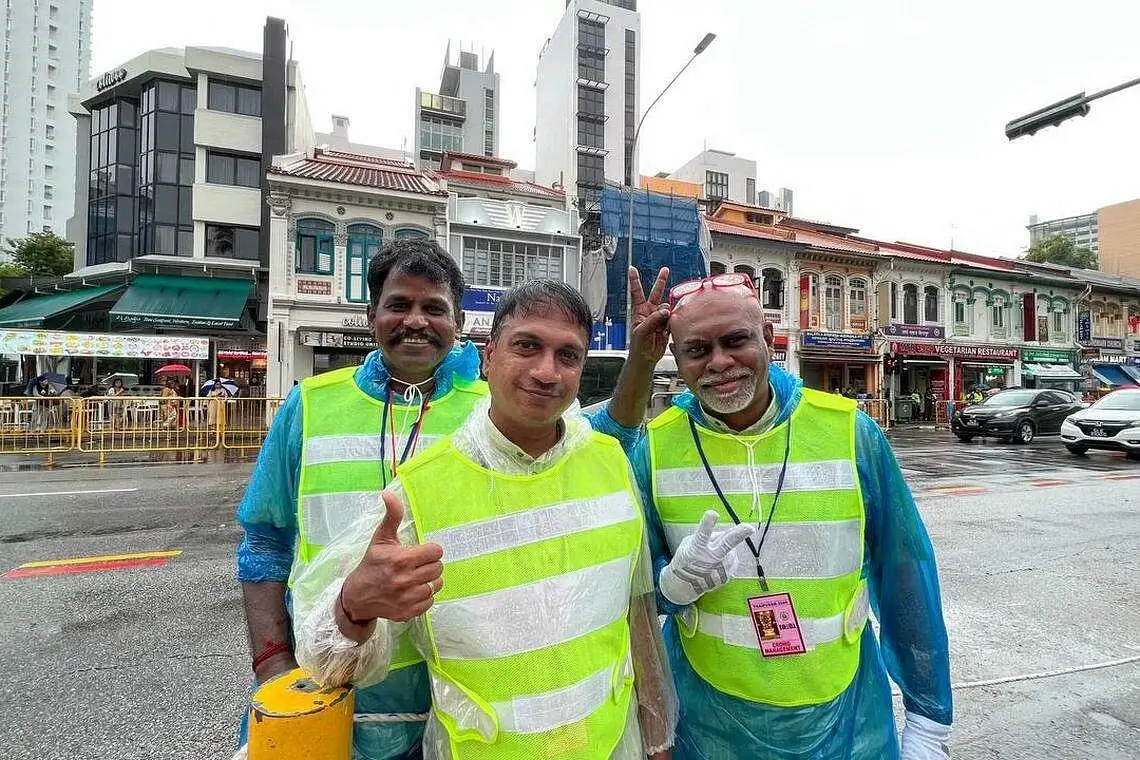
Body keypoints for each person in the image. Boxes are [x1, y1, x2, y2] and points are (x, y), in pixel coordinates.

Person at [235, 236, 671, 759]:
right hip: (343, 683)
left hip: (453, 697)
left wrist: (642, 360)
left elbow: (596, 441)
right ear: (370, 313)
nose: (416, 321)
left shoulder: (495, 403)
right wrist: (275, 664)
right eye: (399, 304)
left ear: (460, 323)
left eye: (433, 308)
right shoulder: (311, 406)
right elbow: (264, 542)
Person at [630, 273, 952, 759]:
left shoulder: (851, 432)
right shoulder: (653, 448)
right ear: (677, 357)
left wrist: (928, 722)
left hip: (846, 718)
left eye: (736, 340)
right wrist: (670, 585)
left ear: (770, 339)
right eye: (697, 349)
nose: (719, 362)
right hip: (709, 722)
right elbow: (630, 593)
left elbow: (905, 577)